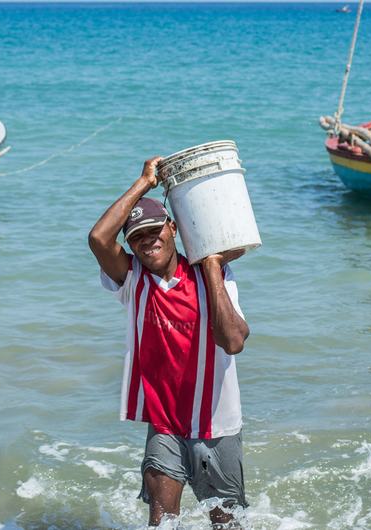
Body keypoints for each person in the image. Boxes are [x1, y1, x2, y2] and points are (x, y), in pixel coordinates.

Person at [88, 156, 251, 527]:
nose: (147, 242)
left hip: (216, 421)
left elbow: (234, 342)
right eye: (136, 237)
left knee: (225, 522)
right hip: (164, 422)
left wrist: (210, 265)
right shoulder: (132, 281)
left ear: (173, 228)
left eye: (153, 231)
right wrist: (144, 182)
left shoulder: (216, 274)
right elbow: (98, 238)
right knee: (161, 522)